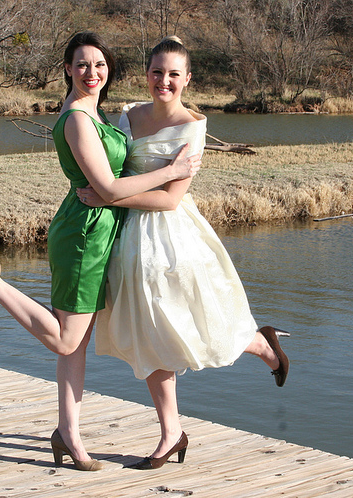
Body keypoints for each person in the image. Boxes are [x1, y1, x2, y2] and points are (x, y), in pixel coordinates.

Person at [0, 31, 200, 471]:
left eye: (99, 64)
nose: (92, 72)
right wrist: (170, 171)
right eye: (82, 64)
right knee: (65, 338)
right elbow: (107, 188)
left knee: (75, 346)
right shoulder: (77, 118)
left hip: (97, 229)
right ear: (67, 69)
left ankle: (68, 434)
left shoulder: (95, 110)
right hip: (84, 235)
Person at [77, 36, 290, 470]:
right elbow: (111, 168)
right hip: (129, 237)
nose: (164, 81)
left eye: (174, 74)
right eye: (157, 72)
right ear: (147, 74)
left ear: (188, 79)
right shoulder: (128, 116)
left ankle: (260, 343)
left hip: (170, 238)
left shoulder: (192, 126)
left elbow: (171, 199)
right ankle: (171, 432)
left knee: (190, 328)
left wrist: (110, 196)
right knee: (150, 334)